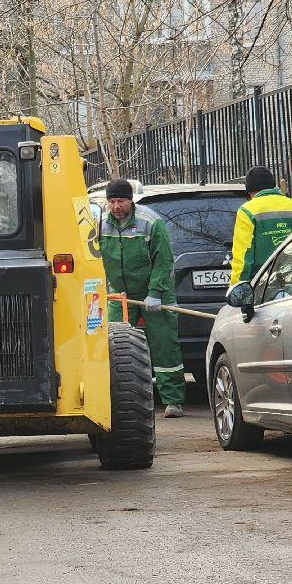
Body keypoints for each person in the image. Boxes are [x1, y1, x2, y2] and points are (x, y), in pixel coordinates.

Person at [98, 178, 187, 418]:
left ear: (131, 200)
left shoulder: (150, 222)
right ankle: (121, 399)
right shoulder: (100, 224)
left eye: (121, 201)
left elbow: (163, 261)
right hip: (119, 295)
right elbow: (95, 259)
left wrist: (155, 293)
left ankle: (173, 400)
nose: (116, 206)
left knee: (164, 344)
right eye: (112, 201)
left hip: (154, 292)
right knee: (117, 345)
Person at [230, 166, 292, 285]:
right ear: (273, 185)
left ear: (250, 191)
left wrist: (237, 287)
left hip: (263, 285)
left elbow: (243, 257)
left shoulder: (247, 211)